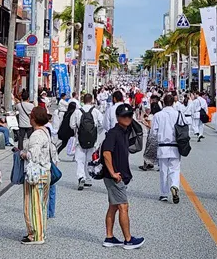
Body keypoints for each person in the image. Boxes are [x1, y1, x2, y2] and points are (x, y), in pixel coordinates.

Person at [102, 104, 145, 250]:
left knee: (113, 206)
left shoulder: (126, 131)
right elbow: (106, 152)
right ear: (118, 117)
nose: (127, 118)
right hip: (114, 176)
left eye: (130, 115)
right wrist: (113, 172)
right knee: (123, 206)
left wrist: (134, 119)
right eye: (124, 116)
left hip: (117, 175)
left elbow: (138, 130)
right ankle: (128, 240)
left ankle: (109, 237)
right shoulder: (113, 133)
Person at [19, 107, 58, 245]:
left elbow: (32, 155)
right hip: (45, 172)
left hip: (36, 173)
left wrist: (23, 153)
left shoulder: (36, 135)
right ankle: (41, 231)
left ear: (34, 119)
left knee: (32, 205)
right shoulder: (46, 132)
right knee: (41, 204)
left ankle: (35, 235)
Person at [152, 94, 184, 203]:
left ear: (164, 102)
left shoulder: (158, 115)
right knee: (174, 169)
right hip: (175, 146)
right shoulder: (178, 114)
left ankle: (163, 194)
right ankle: (174, 185)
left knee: (163, 170)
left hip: (162, 146)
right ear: (173, 103)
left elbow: (153, 132)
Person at [71, 94, 101, 190]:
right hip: (93, 139)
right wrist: (95, 130)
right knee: (89, 159)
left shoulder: (77, 112)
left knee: (80, 160)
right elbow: (102, 123)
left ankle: (81, 177)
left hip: (80, 139)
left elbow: (72, 125)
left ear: (82, 100)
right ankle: (88, 178)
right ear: (91, 100)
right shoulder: (96, 111)